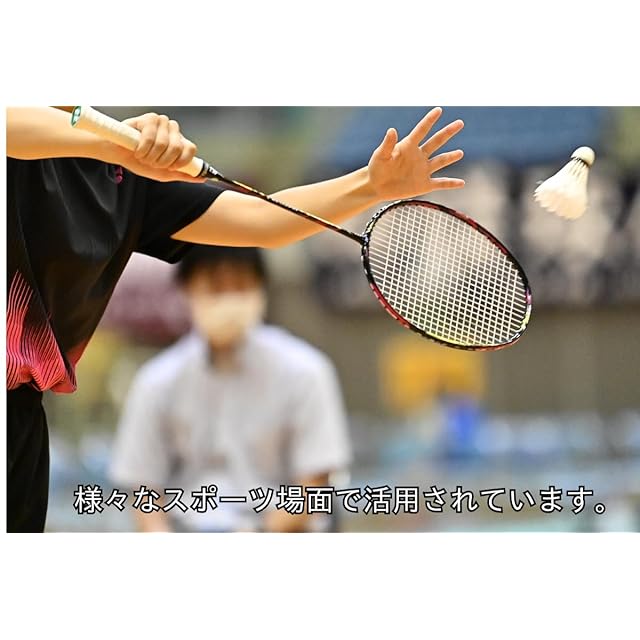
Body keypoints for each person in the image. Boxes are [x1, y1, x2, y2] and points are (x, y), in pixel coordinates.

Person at [6, 105, 465, 532]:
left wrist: (371, 184)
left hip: (22, 424)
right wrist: (113, 143)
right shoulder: (65, 146)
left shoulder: (119, 180)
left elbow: (263, 219)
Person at [110, 246, 350, 532]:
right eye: (216, 286)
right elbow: (143, 489)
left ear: (261, 287)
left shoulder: (306, 372)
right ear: (186, 289)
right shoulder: (156, 382)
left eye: (240, 285)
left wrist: (259, 536)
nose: (229, 299)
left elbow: (315, 486)